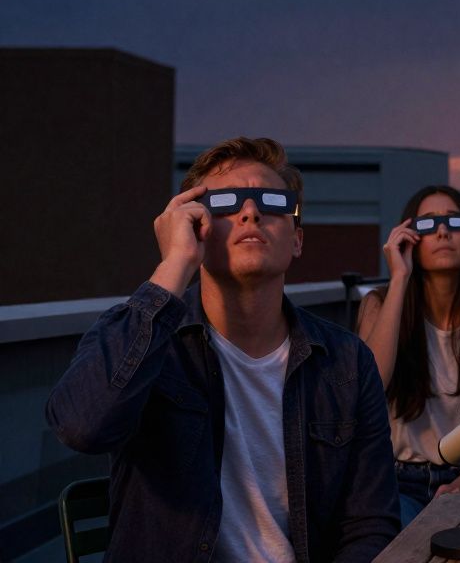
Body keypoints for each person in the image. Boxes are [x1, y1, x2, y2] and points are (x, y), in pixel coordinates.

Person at [46, 137, 399, 562]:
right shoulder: (147, 341)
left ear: (297, 240)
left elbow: (370, 523)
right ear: (195, 228)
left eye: (271, 201)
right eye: (227, 202)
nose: (250, 212)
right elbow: (82, 426)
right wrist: (174, 265)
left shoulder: (346, 362)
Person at [356, 185, 460, 525]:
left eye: (454, 223)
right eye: (428, 225)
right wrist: (400, 278)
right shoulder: (378, 305)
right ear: (408, 237)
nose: (443, 232)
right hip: (394, 481)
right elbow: (368, 387)